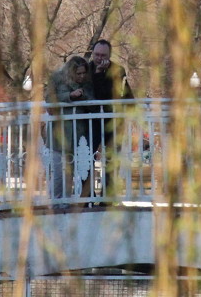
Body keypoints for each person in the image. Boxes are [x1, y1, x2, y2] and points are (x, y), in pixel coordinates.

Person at [87, 39, 134, 195]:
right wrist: (98, 74)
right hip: (90, 121)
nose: (99, 58)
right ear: (92, 53)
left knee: (112, 159)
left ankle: (107, 196)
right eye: (97, 54)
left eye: (103, 55)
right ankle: (87, 196)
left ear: (109, 55)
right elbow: (91, 94)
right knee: (87, 158)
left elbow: (122, 94)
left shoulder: (117, 70)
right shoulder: (85, 69)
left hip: (112, 121)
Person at [45, 56, 94, 199]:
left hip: (77, 133)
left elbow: (92, 99)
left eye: (83, 73)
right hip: (58, 133)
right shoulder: (56, 78)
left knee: (69, 173)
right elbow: (49, 98)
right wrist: (70, 96)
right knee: (58, 173)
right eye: (78, 73)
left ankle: (64, 203)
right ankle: (54, 203)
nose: (82, 76)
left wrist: (81, 96)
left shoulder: (86, 82)